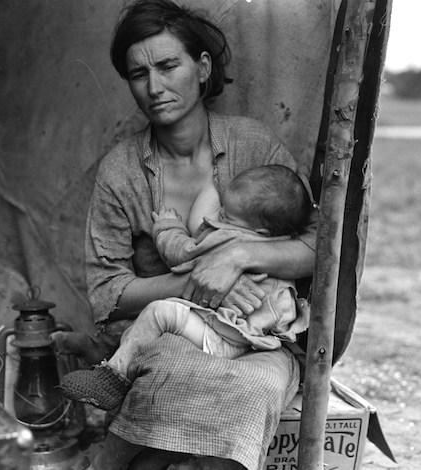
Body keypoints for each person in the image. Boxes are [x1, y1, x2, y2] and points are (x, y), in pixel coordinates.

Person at [55, 1, 318, 469]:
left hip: (260, 340)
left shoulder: (253, 145)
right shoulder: (122, 171)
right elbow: (106, 293)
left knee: (252, 392)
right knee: (170, 375)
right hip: (174, 334)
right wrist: (198, 283)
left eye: (167, 65)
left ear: (201, 68)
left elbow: (319, 249)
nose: (154, 87)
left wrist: (234, 258)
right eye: (138, 74)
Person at [60, 165, 312, 412]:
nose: (218, 216)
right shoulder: (282, 244)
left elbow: (182, 253)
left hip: (226, 338)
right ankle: (106, 352)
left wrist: (168, 227)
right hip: (250, 337)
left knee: (159, 313)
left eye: (226, 216)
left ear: (259, 230)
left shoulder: (230, 238)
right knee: (156, 327)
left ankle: (112, 379)